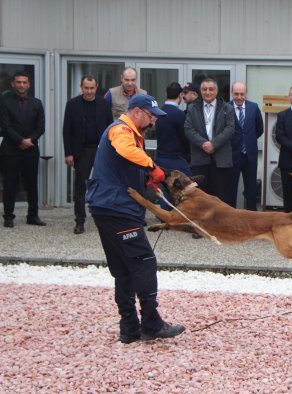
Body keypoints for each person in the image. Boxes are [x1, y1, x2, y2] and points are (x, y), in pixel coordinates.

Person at [85, 94, 185, 343]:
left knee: (124, 269)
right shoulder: (121, 130)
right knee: (145, 261)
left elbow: (125, 162)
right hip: (116, 208)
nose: (153, 121)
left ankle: (129, 328)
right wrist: (152, 167)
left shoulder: (129, 132)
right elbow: (125, 150)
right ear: (137, 112)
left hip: (107, 207)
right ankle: (151, 324)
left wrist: (145, 177)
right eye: (151, 116)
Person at [62, 75, 113, 234]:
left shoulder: (103, 104)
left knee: (104, 186)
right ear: (81, 87)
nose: (89, 91)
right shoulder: (72, 104)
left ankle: (105, 219)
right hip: (81, 151)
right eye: (86, 88)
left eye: (92, 88)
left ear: (96, 88)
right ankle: (80, 220)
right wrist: (68, 153)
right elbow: (66, 130)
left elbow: (110, 128)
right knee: (80, 187)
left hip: (100, 150)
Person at [0, 71, 46, 228]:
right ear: (13, 84)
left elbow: (41, 127)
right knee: (10, 184)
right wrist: (20, 140)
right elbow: (5, 127)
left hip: (31, 150)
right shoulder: (5, 102)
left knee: (32, 184)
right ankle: (8, 216)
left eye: (24, 82)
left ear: (29, 84)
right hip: (11, 150)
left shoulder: (37, 103)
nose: (21, 85)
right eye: (18, 82)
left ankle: (32, 216)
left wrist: (29, 140)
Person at [184, 78, 235, 202]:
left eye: (211, 89)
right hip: (200, 159)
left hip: (220, 160)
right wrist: (203, 144)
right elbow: (188, 129)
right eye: (204, 89)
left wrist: (214, 144)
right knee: (199, 197)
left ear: (216, 91)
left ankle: (218, 222)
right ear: (200, 91)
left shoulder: (227, 108)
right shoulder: (192, 108)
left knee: (220, 197)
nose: (208, 92)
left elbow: (230, 129)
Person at [227, 81, 264, 210]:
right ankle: (230, 217)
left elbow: (260, 128)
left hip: (250, 155)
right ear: (232, 93)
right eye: (236, 94)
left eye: (242, 94)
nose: (239, 97)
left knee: (251, 189)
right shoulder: (225, 108)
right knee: (230, 189)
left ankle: (251, 218)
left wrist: (249, 140)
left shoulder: (254, 107)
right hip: (232, 155)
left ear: (246, 94)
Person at [155, 82, 191, 210]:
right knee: (187, 185)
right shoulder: (180, 115)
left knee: (165, 187)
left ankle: (164, 212)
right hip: (176, 158)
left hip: (160, 156)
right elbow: (184, 138)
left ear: (166, 94)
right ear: (181, 95)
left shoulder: (158, 112)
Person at [275, 85, 292, 213]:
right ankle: (288, 222)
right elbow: (280, 137)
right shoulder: (282, 115)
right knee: (288, 192)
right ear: (289, 97)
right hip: (287, 159)